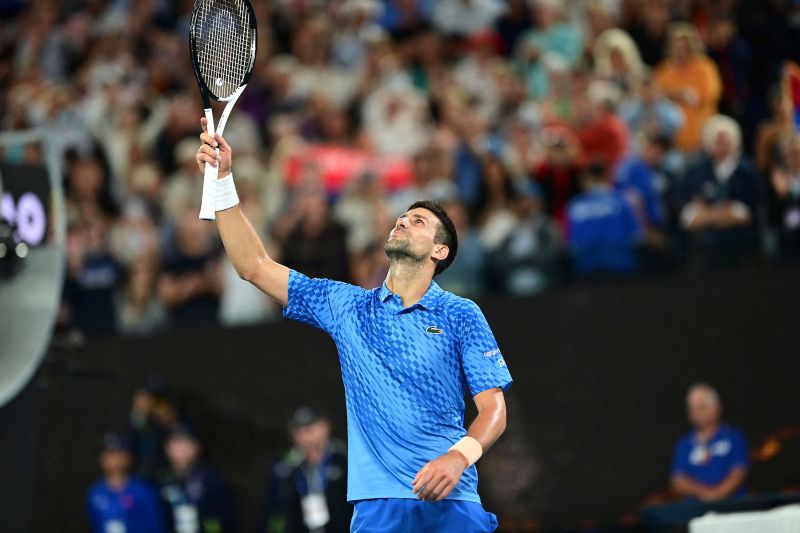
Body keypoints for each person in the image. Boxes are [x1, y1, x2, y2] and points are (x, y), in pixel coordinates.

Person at [196, 119, 511, 532]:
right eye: (402, 217)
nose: (402, 221)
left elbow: (495, 410)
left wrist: (459, 457)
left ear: (440, 250)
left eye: (418, 221)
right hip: (377, 507)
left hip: (452, 498)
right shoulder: (346, 305)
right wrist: (222, 182)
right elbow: (254, 267)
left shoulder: (460, 313)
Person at [262, 407, 351, 533]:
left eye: (311, 428)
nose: (306, 435)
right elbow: (272, 510)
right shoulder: (284, 465)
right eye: (299, 430)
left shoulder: (345, 457)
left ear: (326, 426)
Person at [671, 383, 749, 502]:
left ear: (717, 407)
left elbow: (739, 472)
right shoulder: (685, 443)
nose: (696, 413)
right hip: (696, 512)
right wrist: (707, 495)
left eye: (701, 407)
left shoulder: (733, 436)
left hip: (732, 507)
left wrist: (718, 495)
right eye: (692, 409)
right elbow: (678, 481)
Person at [566, 160, 643, 276]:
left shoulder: (575, 206)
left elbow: (572, 246)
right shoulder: (621, 200)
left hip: (587, 271)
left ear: (586, 178)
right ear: (608, 176)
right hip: (621, 267)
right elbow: (636, 237)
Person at [159, 424, 235, 533]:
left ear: (198, 447)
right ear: (167, 448)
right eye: (177, 442)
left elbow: (226, 519)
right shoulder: (159, 481)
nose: (182, 448)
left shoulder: (211, 480)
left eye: (188, 443)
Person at [87, 432, 164, 533]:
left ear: (128, 457)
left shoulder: (144, 491)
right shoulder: (96, 492)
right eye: (108, 454)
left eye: (119, 454)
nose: (114, 459)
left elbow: (156, 527)